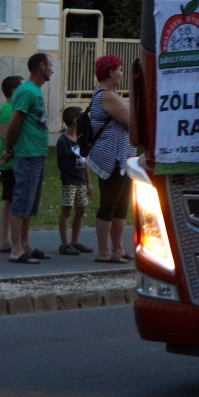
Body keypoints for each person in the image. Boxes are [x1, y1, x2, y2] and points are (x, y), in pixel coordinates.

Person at [2, 52, 53, 264]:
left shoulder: (35, 91)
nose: (52, 69)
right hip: (27, 154)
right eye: (50, 65)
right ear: (41, 66)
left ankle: (25, 244)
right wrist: (9, 148)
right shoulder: (27, 91)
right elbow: (14, 123)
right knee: (21, 200)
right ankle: (16, 249)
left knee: (30, 204)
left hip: (37, 154)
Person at [85, 53, 134, 263]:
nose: (122, 74)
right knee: (110, 203)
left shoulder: (112, 95)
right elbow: (132, 122)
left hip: (123, 158)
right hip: (111, 159)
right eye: (120, 69)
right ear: (112, 72)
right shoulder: (106, 96)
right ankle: (104, 251)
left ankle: (118, 248)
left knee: (121, 205)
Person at [55, 105, 93, 255]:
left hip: (81, 181)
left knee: (81, 210)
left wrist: (88, 182)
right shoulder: (63, 141)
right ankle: (64, 244)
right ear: (76, 121)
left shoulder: (81, 139)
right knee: (67, 210)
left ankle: (75, 241)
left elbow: (85, 162)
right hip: (69, 181)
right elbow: (63, 163)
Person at [0, 75, 23, 253]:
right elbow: (6, 135)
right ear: (13, 91)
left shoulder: (13, 108)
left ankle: (5, 240)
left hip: (11, 160)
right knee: (11, 199)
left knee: (8, 198)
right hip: (9, 162)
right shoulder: (7, 109)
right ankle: (6, 240)